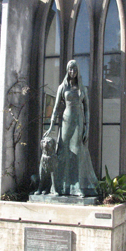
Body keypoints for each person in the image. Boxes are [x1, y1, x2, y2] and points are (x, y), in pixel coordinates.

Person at [44, 60, 98, 197]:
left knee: (77, 152)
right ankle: (60, 187)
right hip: (66, 120)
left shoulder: (82, 89)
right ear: (67, 71)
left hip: (78, 121)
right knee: (63, 152)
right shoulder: (62, 87)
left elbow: (87, 110)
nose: (72, 72)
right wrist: (51, 127)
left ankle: (78, 187)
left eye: (74, 69)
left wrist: (87, 127)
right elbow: (55, 109)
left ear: (77, 70)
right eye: (70, 69)